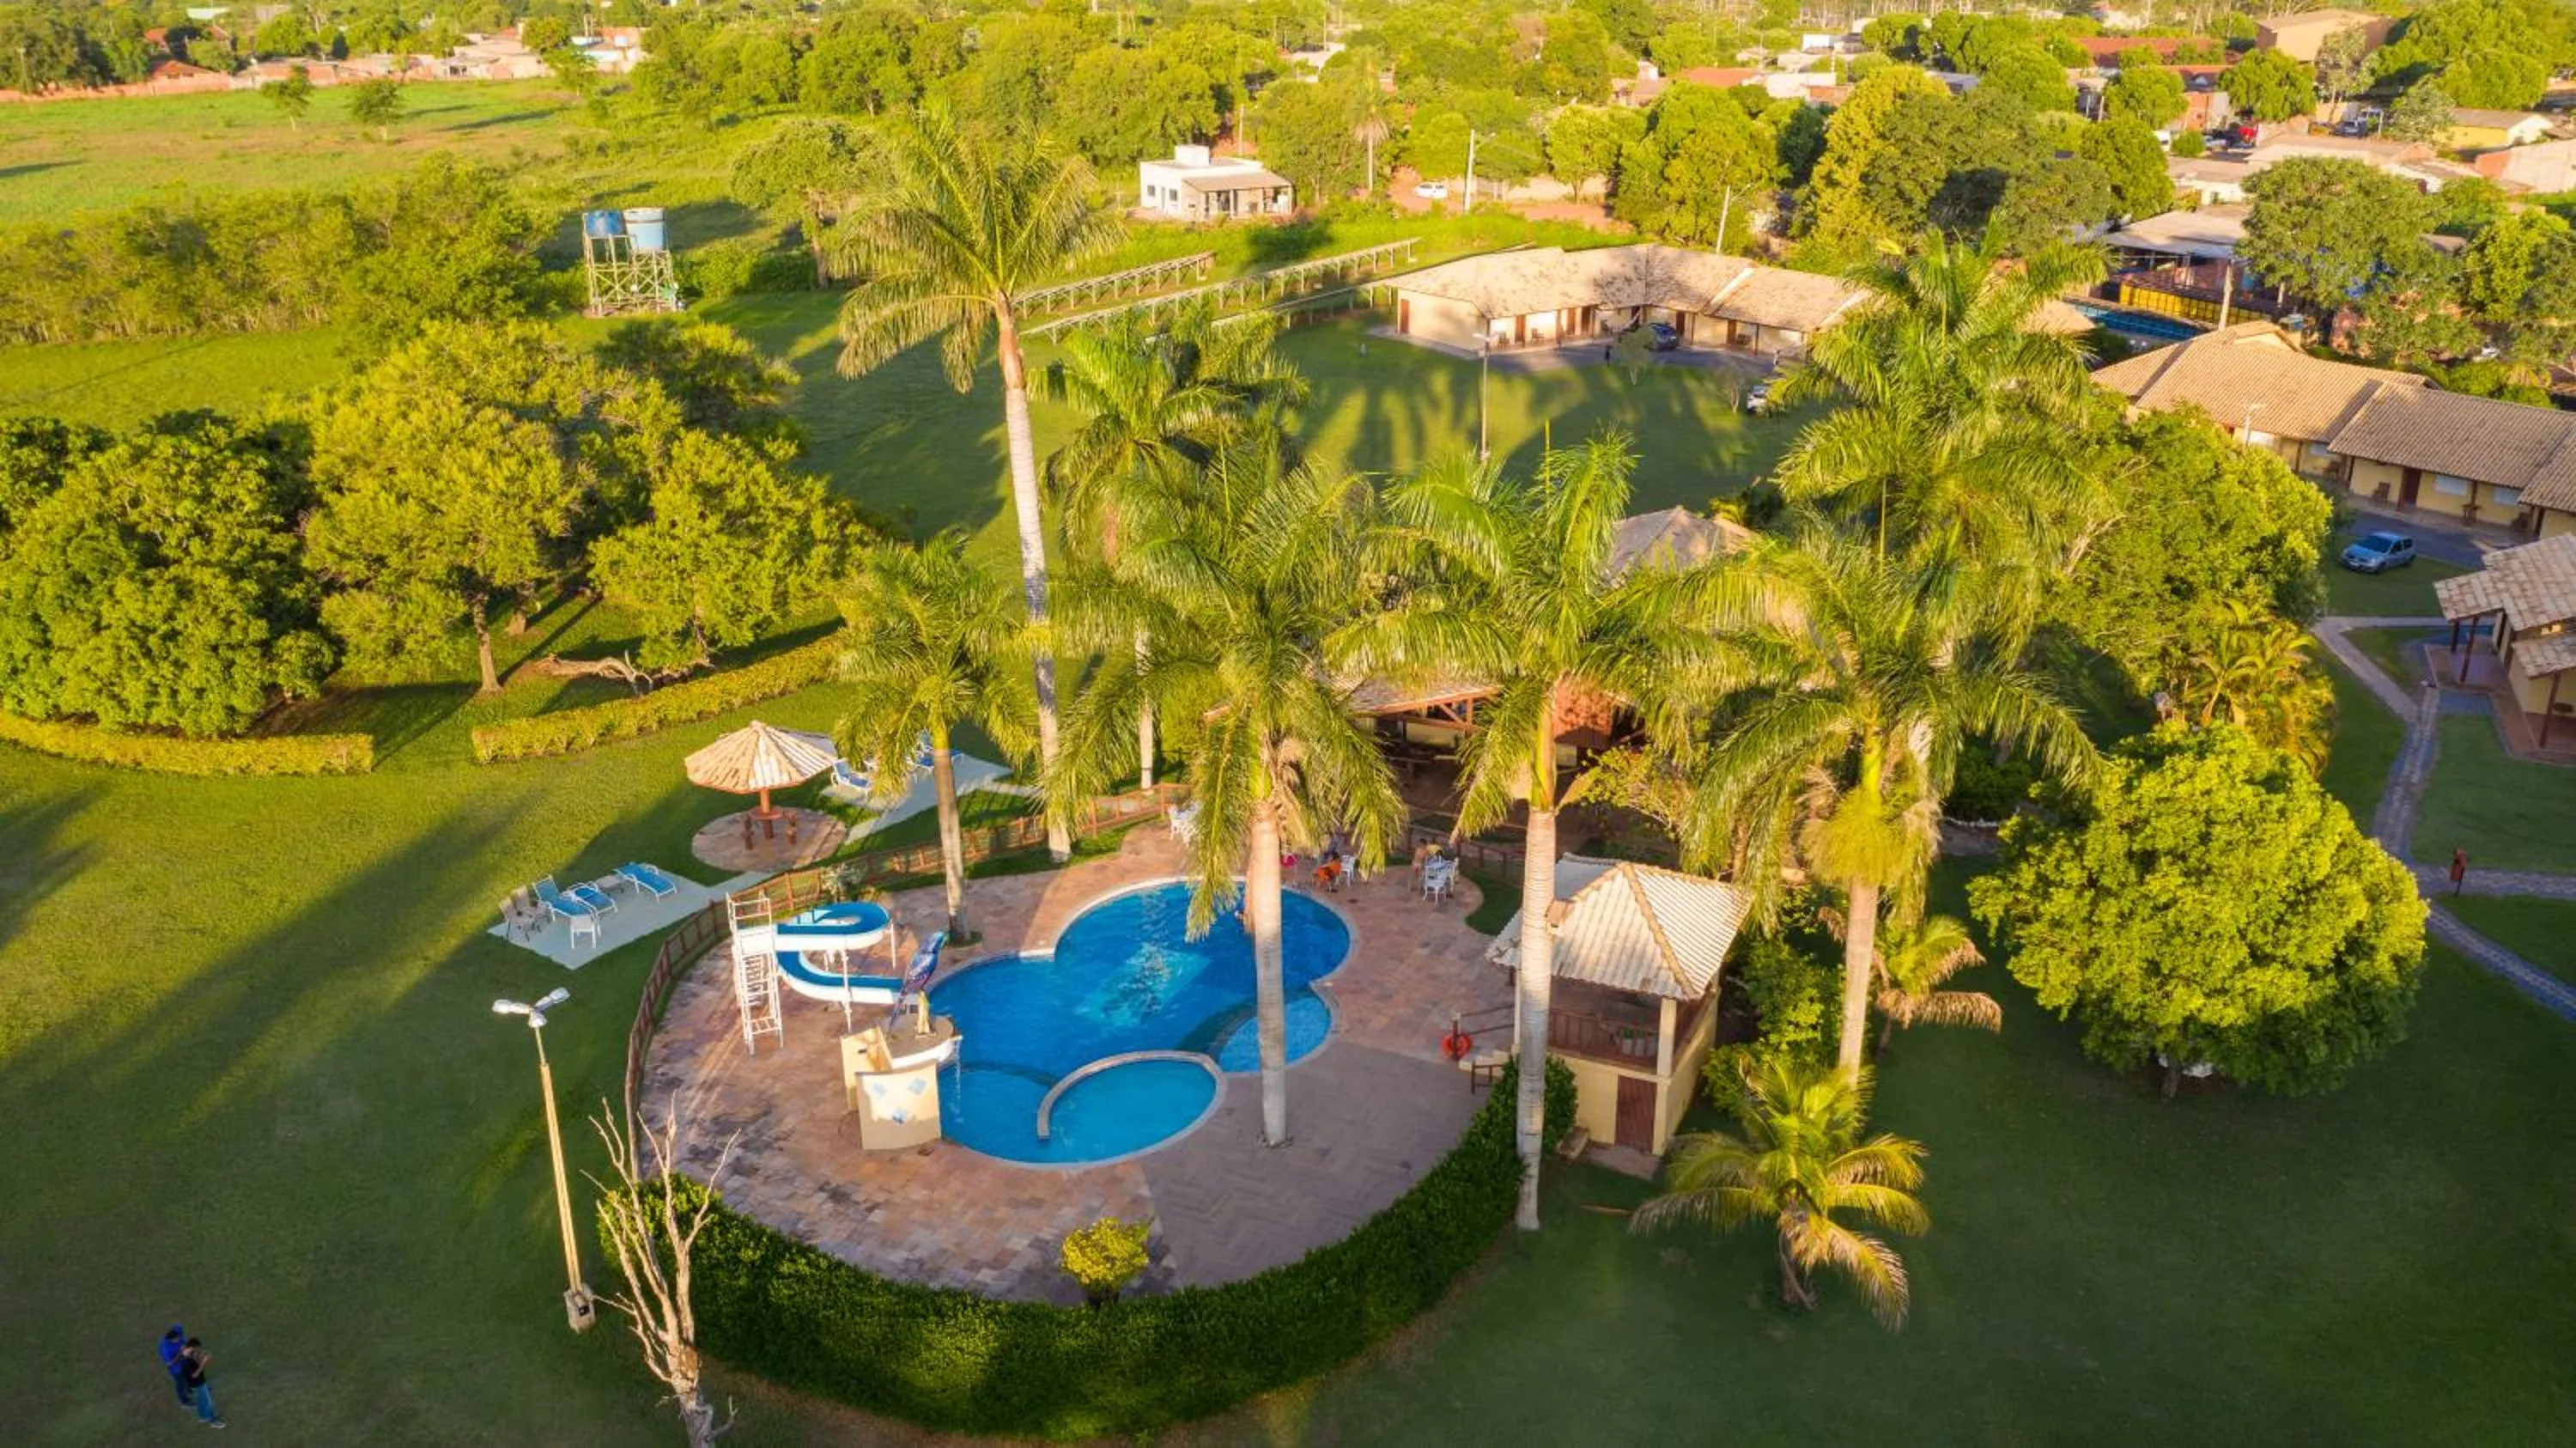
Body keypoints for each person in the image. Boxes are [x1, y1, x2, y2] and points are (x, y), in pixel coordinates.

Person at [178, 1336, 222, 1428]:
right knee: (207, 1402)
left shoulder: (185, 1354)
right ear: (193, 1347)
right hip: (198, 1383)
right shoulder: (186, 1361)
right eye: (197, 1348)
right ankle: (212, 1420)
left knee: (200, 1401)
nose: (199, 1350)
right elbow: (195, 1375)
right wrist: (203, 1362)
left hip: (193, 1383)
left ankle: (203, 1417)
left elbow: (194, 1365)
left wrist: (200, 1356)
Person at [159, 1326, 189, 1410]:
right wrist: (180, 1353)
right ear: (171, 1340)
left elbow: (182, 1334)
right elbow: (169, 1364)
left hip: (183, 1362)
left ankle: (190, 1388)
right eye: (176, 1339)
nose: (178, 1340)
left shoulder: (177, 1332)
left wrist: (186, 1345)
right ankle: (183, 1402)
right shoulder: (166, 1349)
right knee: (180, 1384)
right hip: (176, 1369)